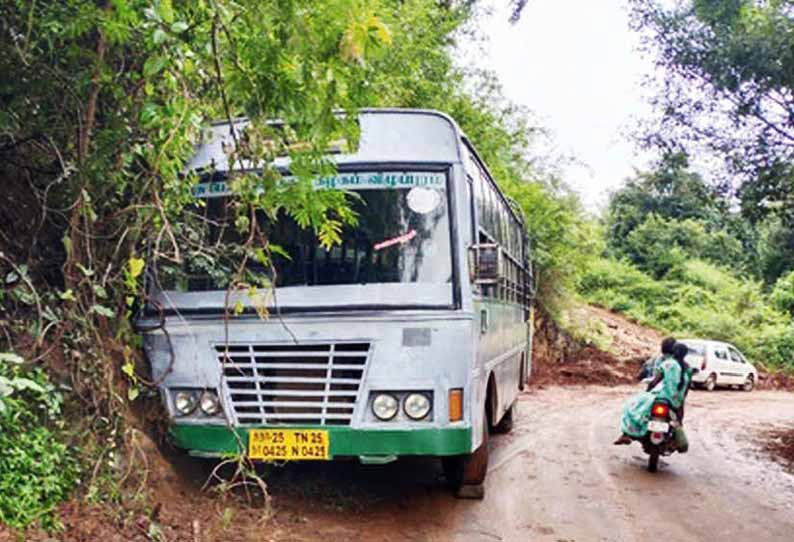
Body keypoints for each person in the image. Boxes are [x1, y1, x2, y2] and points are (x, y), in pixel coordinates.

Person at [614, 339, 692, 445]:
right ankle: (674, 439)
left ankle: (627, 434)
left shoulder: (667, 363)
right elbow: (686, 388)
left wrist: (648, 391)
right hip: (677, 401)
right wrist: (680, 400)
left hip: (662, 396)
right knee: (678, 421)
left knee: (634, 408)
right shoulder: (687, 368)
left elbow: (654, 381)